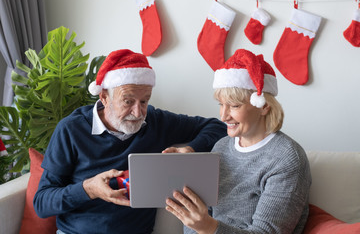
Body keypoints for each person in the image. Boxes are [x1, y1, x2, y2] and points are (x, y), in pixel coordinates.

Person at [33, 49, 227, 234]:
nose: (138, 112)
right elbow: (42, 203)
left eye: (144, 101)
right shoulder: (71, 129)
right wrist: (89, 189)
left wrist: (190, 149)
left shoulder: (156, 122)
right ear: (104, 97)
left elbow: (216, 126)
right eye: (128, 101)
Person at [165, 49, 312, 234]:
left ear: (264, 106)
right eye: (221, 104)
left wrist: (208, 227)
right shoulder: (222, 146)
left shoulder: (286, 158)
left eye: (234, 106)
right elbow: (198, 218)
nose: (223, 115)